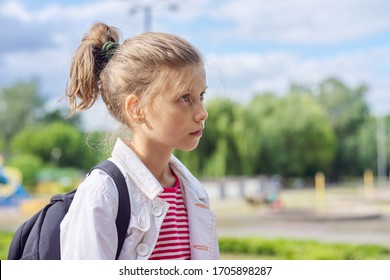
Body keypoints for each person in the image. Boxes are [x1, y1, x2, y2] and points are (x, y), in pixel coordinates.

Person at [59, 22, 219, 260]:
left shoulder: (194, 192)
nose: (202, 112)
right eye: (185, 98)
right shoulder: (102, 193)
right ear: (137, 109)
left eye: (201, 95)